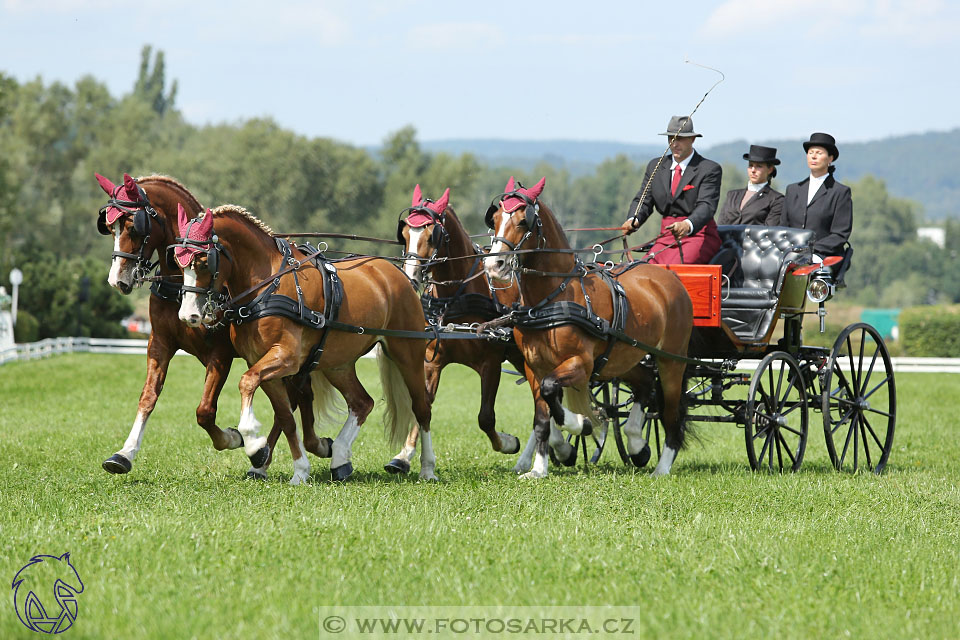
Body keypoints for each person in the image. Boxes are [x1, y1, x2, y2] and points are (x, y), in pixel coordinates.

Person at [621, 115, 722, 264]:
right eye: (671, 139)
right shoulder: (656, 166)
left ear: (693, 139)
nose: (674, 144)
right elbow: (644, 200)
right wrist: (633, 220)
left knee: (674, 273)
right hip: (665, 238)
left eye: (680, 138)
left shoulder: (708, 169)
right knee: (642, 270)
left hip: (697, 236)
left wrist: (687, 225)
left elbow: (707, 206)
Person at [782, 132, 852, 258]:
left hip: (823, 256)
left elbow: (840, 235)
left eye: (819, 153)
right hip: (790, 255)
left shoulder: (840, 192)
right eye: (810, 152)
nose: (813, 156)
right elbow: (782, 228)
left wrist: (810, 250)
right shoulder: (792, 190)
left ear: (830, 158)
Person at [718, 144, 784, 225]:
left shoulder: (776, 199)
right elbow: (720, 225)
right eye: (750, 165)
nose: (753, 170)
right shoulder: (732, 195)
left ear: (770, 169)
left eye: (759, 166)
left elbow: (769, 231)